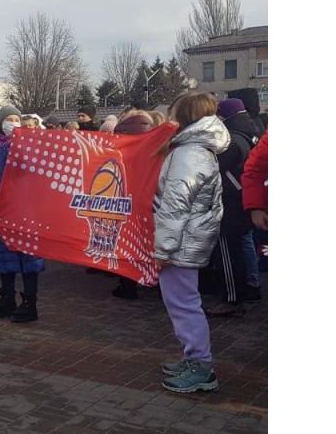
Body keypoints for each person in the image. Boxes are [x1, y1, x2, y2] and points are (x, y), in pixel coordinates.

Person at [153, 92, 229, 394]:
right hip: (188, 238)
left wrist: (164, 249)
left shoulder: (189, 152)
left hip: (182, 242)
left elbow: (175, 205)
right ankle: (193, 358)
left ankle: (201, 365)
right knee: (183, 301)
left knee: (183, 303)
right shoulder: (195, 148)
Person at [0, 107, 44, 322]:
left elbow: (39, 178)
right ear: (0, 123)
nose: (13, 123)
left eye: (17, 119)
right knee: (2, 258)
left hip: (26, 214)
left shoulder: (32, 147)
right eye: (9, 119)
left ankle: (29, 302)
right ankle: (7, 298)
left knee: (28, 259)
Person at [205, 98, 262, 315]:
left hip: (229, 203)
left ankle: (231, 299)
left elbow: (215, 168)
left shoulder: (232, 141)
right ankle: (244, 289)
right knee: (238, 247)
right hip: (241, 200)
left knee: (228, 252)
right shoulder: (249, 133)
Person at [109, 110, 155, 299]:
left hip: (123, 198)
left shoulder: (120, 145)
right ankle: (151, 279)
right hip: (148, 200)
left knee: (124, 243)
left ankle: (127, 284)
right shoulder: (155, 143)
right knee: (146, 241)